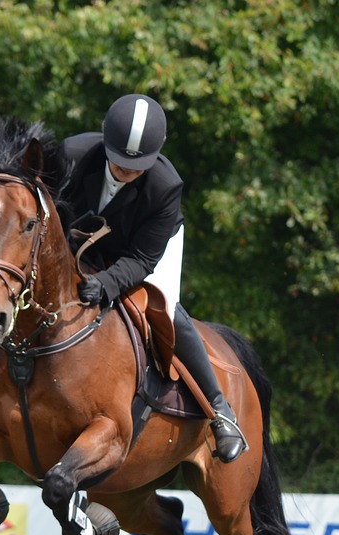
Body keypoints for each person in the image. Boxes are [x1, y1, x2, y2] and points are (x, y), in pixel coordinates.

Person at [58, 93, 245, 462]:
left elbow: (143, 258)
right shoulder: (70, 156)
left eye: (138, 165)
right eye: (120, 162)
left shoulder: (165, 185)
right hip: (80, 246)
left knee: (164, 307)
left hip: (142, 251)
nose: (127, 171)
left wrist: (109, 284)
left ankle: (221, 410)